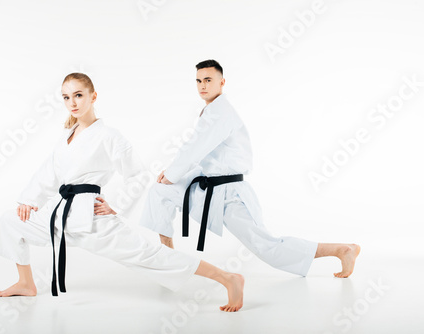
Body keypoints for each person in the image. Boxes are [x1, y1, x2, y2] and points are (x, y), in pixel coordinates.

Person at [0, 72, 244, 312]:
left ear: (93, 96)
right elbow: (47, 174)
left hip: (92, 218)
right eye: (66, 97)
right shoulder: (67, 137)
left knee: (149, 255)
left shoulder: (109, 136)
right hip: (59, 214)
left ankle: (227, 278)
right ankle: (26, 283)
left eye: (78, 95)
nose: (72, 102)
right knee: (11, 220)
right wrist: (28, 201)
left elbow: (136, 174)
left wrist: (117, 207)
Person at [139, 60, 361, 278]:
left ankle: (342, 249)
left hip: (231, 195)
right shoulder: (211, 111)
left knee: (267, 247)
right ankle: (168, 258)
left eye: (208, 80)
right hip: (211, 189)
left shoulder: (221, 113)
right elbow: (202, 157)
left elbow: (194, 148)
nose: (202, 86)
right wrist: (173, 178)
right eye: (198, 81)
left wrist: (171, 174)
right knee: (160, 192)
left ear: (222, 82)